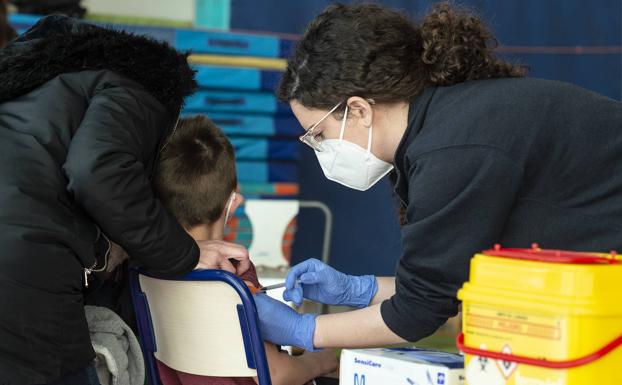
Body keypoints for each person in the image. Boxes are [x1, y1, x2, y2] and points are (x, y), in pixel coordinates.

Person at [253, 2, 622, 353]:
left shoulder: (453, 149)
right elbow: (440, 289)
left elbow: (418, 312)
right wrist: (359, 290)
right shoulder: (441, 128)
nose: (318, 148)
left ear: (359, 109)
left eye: (317, 134)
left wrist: (304, 330)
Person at [0, 16, 249, 384]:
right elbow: (96, 172)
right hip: (23, 266)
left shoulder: (40, 89)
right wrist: (187, 254)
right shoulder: (143, 86)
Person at [151, 115, 338, 385]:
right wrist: (321, 360)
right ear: (234, 203)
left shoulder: (144, 267)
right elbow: (276, 375)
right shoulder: (229, 279)